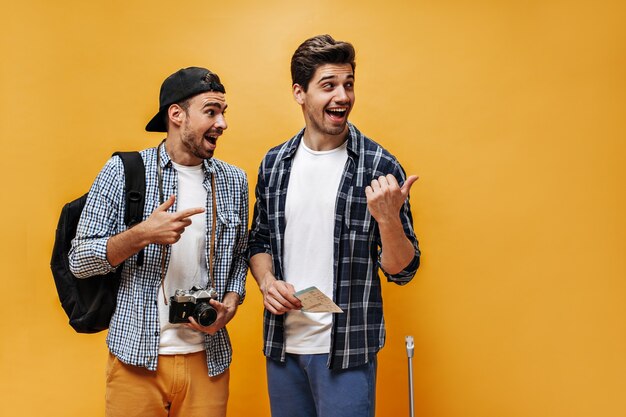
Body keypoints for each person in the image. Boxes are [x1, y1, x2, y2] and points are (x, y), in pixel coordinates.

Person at [248, 35, 421, 417]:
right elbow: (258, 238)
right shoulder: (275, 163)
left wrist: (389, 220)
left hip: (346, 350)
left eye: (348, 84)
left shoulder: (379, 166)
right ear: (300, 93)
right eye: (329, 86)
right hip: (283, 347)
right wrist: (266, 283)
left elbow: (403, 270)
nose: (342, 96)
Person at [69, 67, 248, 417]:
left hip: (208, 361)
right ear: (176, 115)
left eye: (223, 113)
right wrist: (143, 234)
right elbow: (80, 259)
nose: (222, 123)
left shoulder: (234, 180)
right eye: (211, 111)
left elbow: (239, 256)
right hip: (137, 359)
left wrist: (231, 302)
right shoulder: (124, 170)